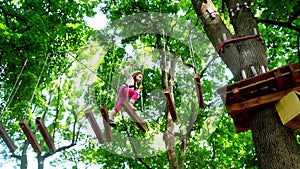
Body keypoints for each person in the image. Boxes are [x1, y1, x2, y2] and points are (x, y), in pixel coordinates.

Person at [109, 62, 143, 126]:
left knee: (118, 107)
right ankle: (130, 104)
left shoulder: (135, 85)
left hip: (124, 95)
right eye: (139, 77)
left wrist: (139, 90)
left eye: (141, 78)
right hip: (124, 89)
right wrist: (130, 66)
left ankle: (110, 117)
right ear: (136, 75)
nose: (140, 79)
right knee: (135, 94)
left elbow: (135, 95)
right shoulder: (130, 78)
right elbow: (125, 71)